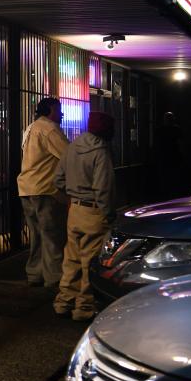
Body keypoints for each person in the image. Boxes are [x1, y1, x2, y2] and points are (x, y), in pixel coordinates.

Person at [54, 111, 116, 322]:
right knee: (89, 261)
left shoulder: (72, 147)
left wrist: (71, 196)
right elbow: (103, 188)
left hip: (75, 210)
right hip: (94, 211)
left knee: (71, 257)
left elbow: (58, 179)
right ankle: (84, 307)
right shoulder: (101, 151)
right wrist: (108, 214)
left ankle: (64, 301)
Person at [16, 97, 69, 288]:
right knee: (52, 235)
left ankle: (34, 273)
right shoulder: (50, 129)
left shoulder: (30, 128)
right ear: (50, 110)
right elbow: (67, 155)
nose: (61, 114)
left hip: (26, 188)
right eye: (58, 110)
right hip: (46, 189)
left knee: (36, 235)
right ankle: (54, 277)